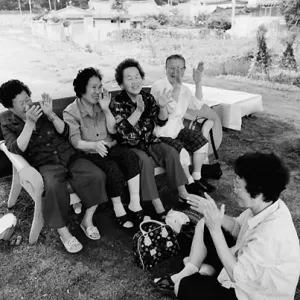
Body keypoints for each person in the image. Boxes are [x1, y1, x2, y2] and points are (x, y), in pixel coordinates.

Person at [154, 152, 300, 300]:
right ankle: (192, 271)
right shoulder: (268, 205)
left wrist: (215, 229)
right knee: (205, 224)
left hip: (254, 294)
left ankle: (202, 272)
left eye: (238, 187)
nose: (234, 190)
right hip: (243, 266)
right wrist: (213, 214)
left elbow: (238, 276)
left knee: (185, 287)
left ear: (259, 192)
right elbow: (237, 227)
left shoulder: (271, 235)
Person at [0, 80, 108, 253]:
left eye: (27, 98)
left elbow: (64, 132)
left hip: (68, 155)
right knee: (52, 185)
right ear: (10, 107)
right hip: (45, 164)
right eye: (21, 103)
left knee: (97, 175)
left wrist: (51, 115)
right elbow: (16, 148)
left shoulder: (43, 112)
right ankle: (64, 232)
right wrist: (29, 123)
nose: (28, 104)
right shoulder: (8, 124)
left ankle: (87, 220)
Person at [109, 58, 202, 219]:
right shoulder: (117, 103)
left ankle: (182, 192)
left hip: (149, 140)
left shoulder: (147, 97)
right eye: (129, 78)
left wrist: (162, 107)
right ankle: (156, 204)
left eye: (137, 77)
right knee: (144, 161)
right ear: (121, 83)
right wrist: (138, 111)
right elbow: (122, 132)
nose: (135, 81)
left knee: (171, 152)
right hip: (130, 145)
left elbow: (161, 121)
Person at [64, 68, 147, 228]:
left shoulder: (103, 103)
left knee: (129, 156)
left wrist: (106, 109)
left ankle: (134, 204)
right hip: (88, 152)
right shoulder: (71, 111)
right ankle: (119, 210)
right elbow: (76, 142)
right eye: (93, 87)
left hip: (109, 145)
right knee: (111, 167)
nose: (98, 91)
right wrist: (94, 145)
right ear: (82, 89)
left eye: (99, 86)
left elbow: (113, 131)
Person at [151, 54, 219, 195]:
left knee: (201, 142)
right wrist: (176, 89)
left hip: (177, 130)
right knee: (181, 152)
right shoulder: (158, 87)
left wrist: (198, 82)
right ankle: (189, 183)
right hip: (160, 133)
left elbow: (197, 105)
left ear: (184, 70)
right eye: (172, 68)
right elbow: (166, 112)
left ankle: (197, 177)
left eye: (179, 68)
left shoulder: (185, 89)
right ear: (165, 68)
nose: (175, 72)